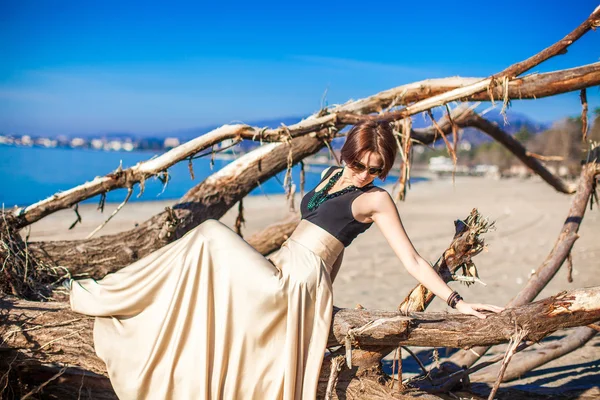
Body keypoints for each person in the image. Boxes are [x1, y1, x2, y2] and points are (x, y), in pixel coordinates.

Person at [68, 120, 502, 400]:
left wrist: (456, 301)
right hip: (281, 266)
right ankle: (128, 298)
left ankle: (112, 292)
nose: (362, 174)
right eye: (357, 162)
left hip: (298, 284)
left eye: (375, 168)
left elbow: (410, 258)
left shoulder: (377, 200)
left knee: (207, 235)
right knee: (206, 255)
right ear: (345, 153)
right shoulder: (335, 174)